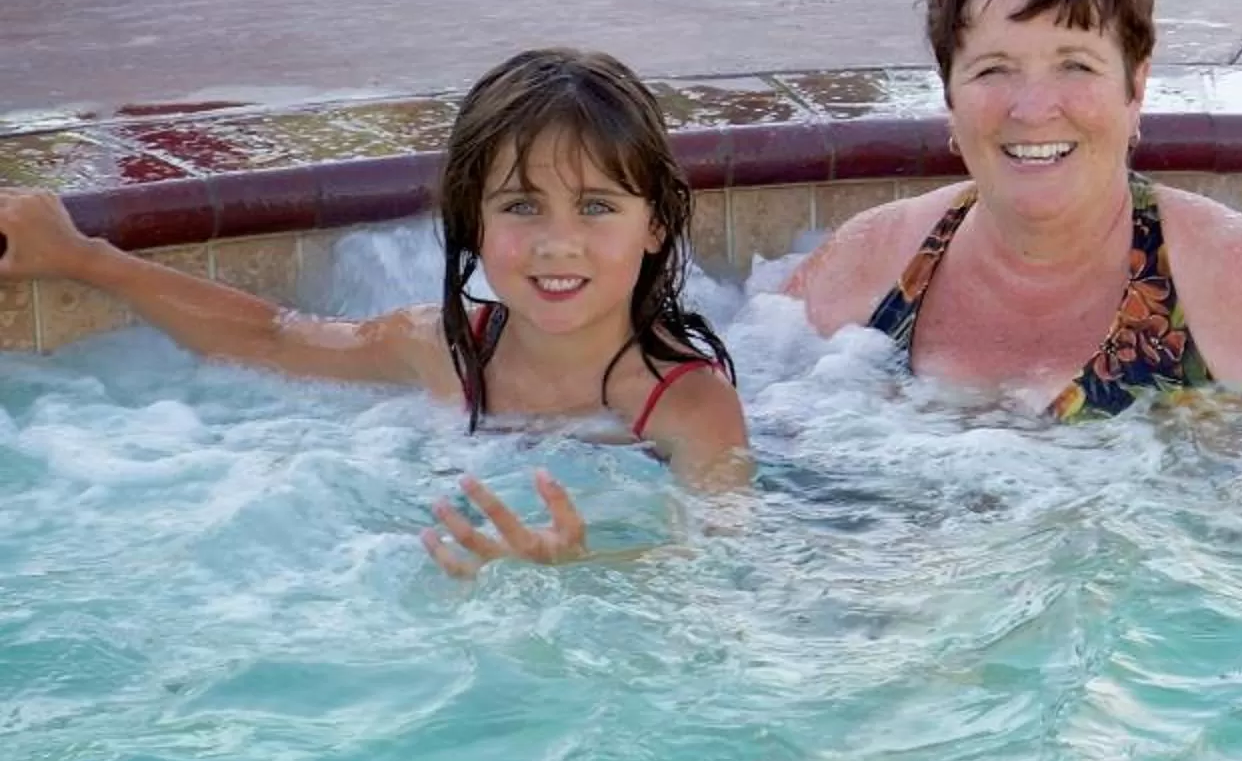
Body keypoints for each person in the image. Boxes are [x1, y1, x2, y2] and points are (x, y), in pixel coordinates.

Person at [0, 48, 753, 574]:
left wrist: (591, 565)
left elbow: (723, 562)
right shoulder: (441, 346)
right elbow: (272, 336)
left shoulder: (688, 407)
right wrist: (82, 259)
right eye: (522, 205)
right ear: (471, 219)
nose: (559, 243)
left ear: (654, 225)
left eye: (596, 207)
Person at [788, 0, 1242, 408]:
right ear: (949, 95)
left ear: (1135, 87)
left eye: (1075, 65)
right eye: (994, 69)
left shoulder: (1234, 280)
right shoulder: (872, 259)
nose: (1034, 108)